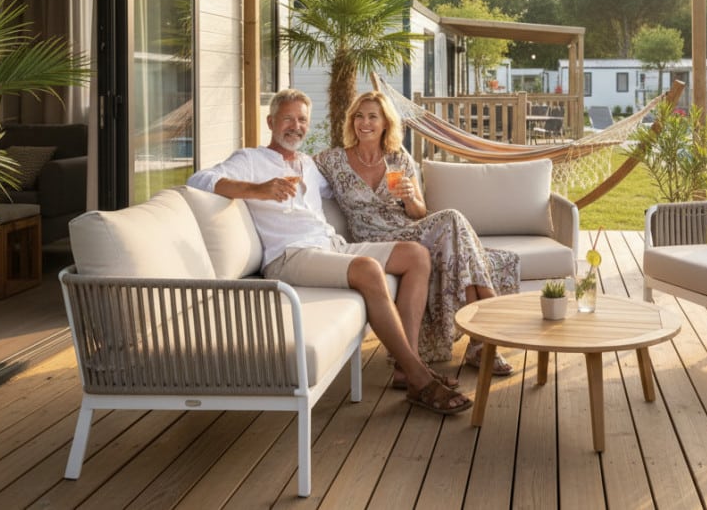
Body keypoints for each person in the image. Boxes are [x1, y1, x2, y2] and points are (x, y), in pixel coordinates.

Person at [187, 89, 471, 416]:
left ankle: (407, 367)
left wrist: (400, 197)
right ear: (271, 122)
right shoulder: (251, 160)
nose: (296, 126)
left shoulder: (310, 165)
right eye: (288, 118)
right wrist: (257, 190)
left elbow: (351, 183)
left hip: (331, 246)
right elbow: (199, 179)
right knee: (367, 270)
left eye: (302, 119)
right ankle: (419, 379)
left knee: (416, 255)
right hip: (290, 256)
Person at [315, 91, 520, 375]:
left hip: (407, 230)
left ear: (386, 122)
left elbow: (419, 213)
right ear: (351, 122)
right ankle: (483, 324)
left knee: (452, 220)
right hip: (373, 241)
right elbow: (297, 168)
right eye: (359, 116)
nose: (365, 123)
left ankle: (479, 341)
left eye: (373, 116)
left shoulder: (399, 159)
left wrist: (411, 197)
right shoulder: (333, 160)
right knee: (455, 225)